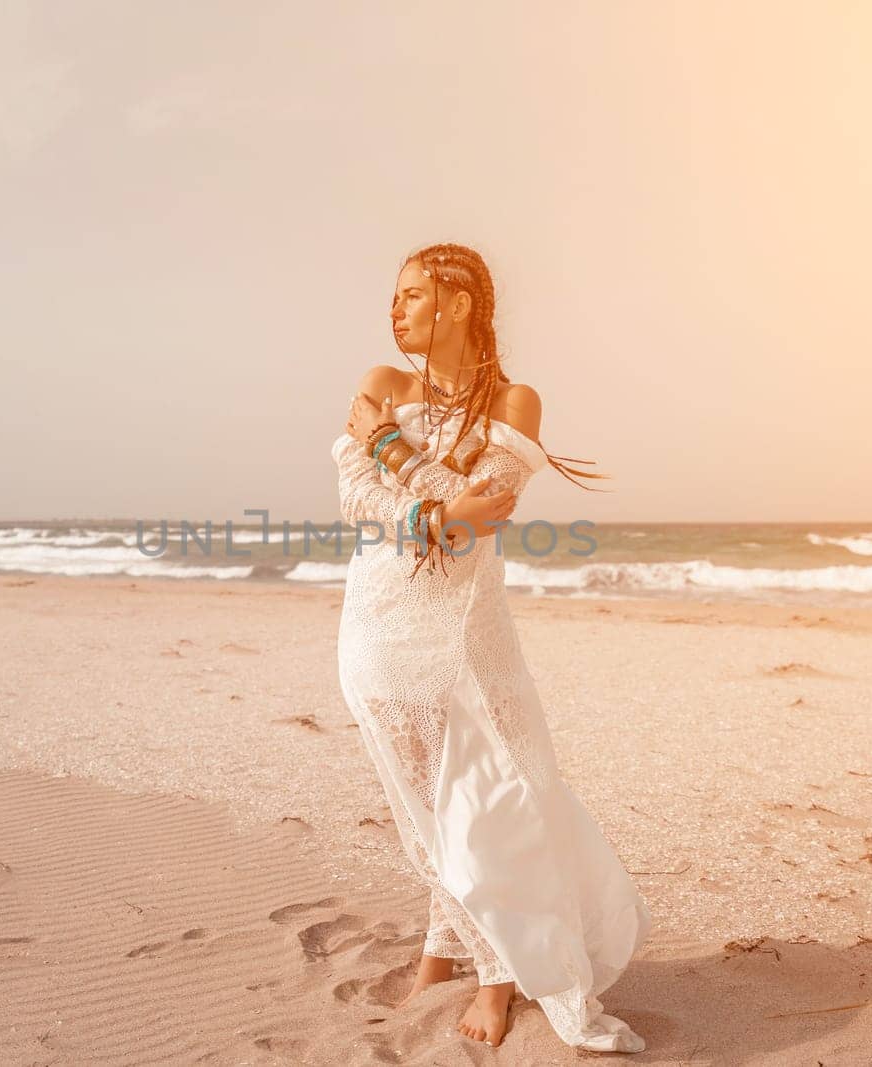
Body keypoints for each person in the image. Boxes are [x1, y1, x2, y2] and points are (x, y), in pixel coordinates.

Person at [331, 242, 654, 1052]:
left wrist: (393, 455)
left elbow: (484, 509)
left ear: (461, 302)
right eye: (395, 295)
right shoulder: (381, 383)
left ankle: (498, 970)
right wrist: (433, 512)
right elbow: (358, 501)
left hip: (469, 635)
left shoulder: (515, 402)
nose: (394, 309)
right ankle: (454, 946)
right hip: (377, 623)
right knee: (425, 804)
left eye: (411, 294)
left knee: (496, 793)